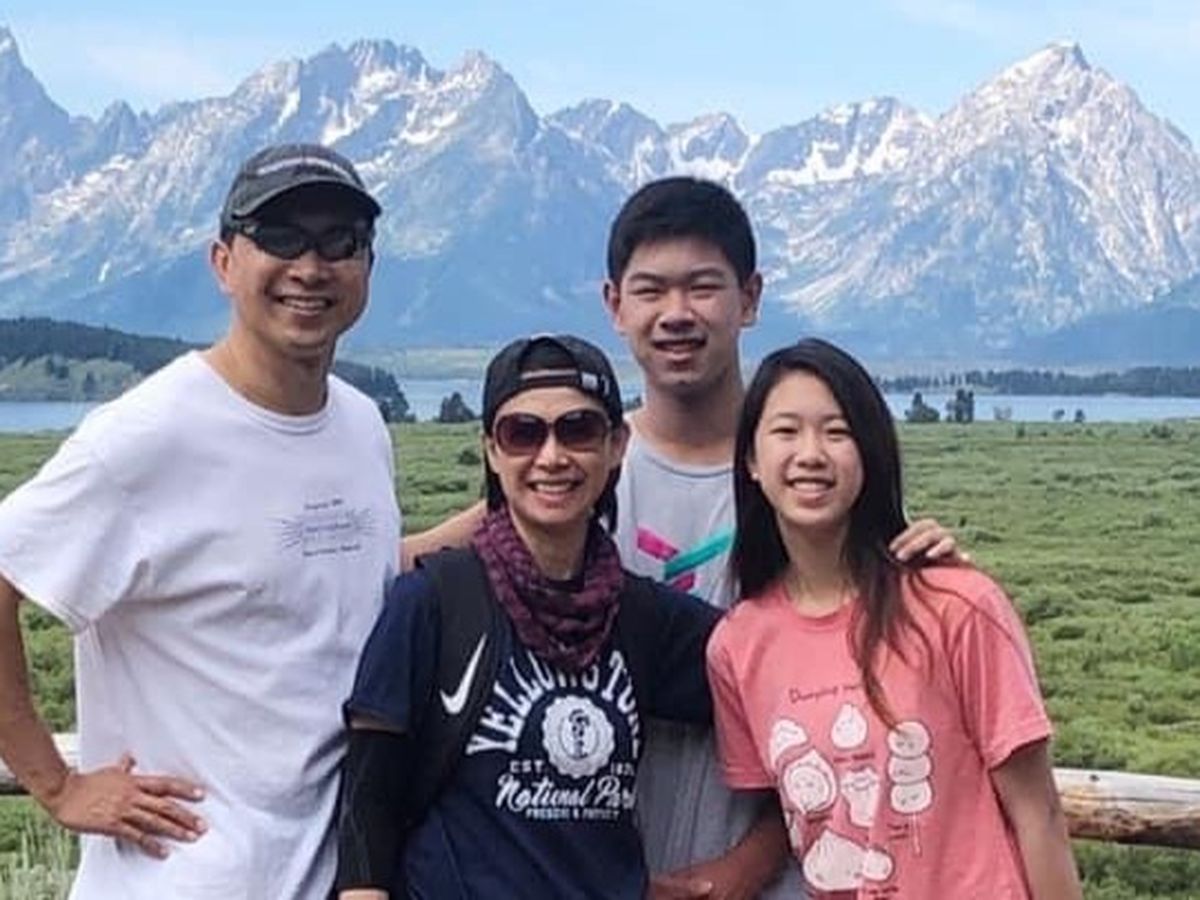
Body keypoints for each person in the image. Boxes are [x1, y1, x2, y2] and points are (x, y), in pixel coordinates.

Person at [0, 143, 401, 899]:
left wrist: (515, 513)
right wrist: (57, 786)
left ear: (367, 269)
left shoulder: (360, 424)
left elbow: (335, 572)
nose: (310, 266)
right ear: (223, 263)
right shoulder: (144, 436)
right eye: (279, 237)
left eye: (338, 241)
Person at [600, 176, 958, 898]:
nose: (677, 314)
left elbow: (871, 695)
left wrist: (748, 866)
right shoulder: (582, 467)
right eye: (651, 290)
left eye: (703, 287)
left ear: (750, 297)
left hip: (789, 873)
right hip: (607, 869)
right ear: (615, 304)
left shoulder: (806, 479)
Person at [336, 334, 721, 899]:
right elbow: (368, 800)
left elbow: (781, 674)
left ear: (617, 445)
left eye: (578, 429)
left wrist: (747, 863)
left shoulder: (642, 616)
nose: (551, 456)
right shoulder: (434, 602)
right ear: (492, 450)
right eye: (523, 433)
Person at [707, 338, 1082, 898]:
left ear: (871, 453)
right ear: (752, 461)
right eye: (786, 431)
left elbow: (1039, 814)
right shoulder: (738, 645)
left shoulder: (956, 605)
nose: (811, 453)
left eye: (837, 432)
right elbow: (793, 818)